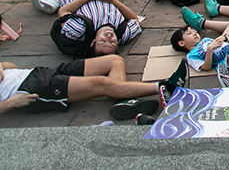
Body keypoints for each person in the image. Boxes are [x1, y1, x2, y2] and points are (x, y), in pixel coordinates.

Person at [0, 55, 184, 118]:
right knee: (101, 84)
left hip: (38, 72)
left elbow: (11, 67)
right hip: (31, 88)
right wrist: (10, 103)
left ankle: (123, 101)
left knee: (114, 61)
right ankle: (165, 86)